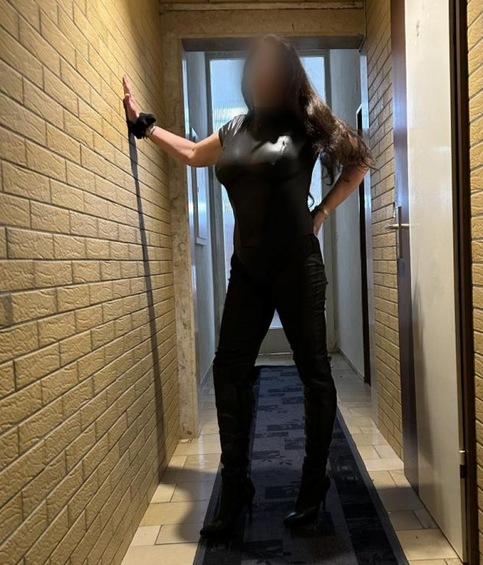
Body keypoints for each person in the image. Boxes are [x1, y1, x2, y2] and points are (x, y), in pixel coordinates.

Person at [122, 34, 372, 539]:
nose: (262, 74)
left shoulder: (308, 122)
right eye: (256, 66)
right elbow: (194, 153)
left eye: (271, 67)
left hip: (297, 266)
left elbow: (359, 160)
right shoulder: (235, 128)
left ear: (287, 74)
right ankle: (236, 485)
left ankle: (314, 481)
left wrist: (322, 212)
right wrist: (144, 126)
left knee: (314, 373)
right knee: (228, 369)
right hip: (249, 269)